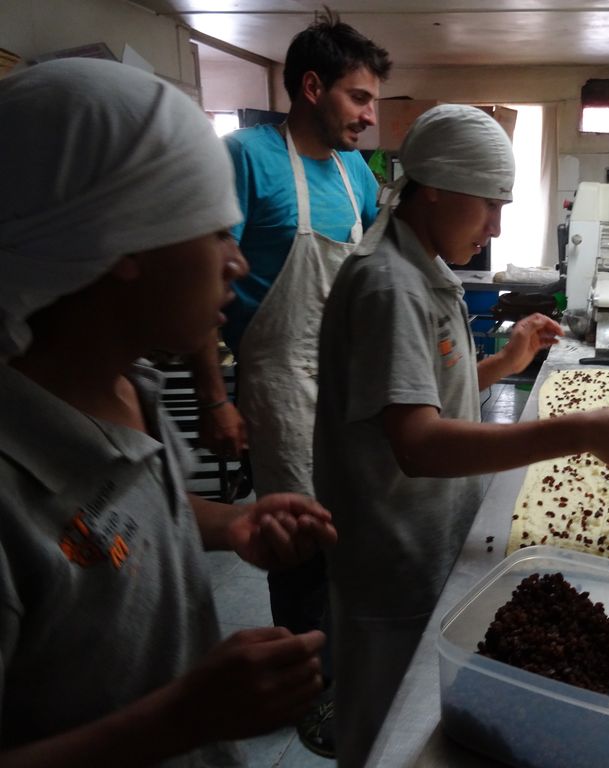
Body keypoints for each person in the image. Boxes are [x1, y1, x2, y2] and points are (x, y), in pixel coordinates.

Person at [314, 104, 609, 767]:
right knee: (384, 741)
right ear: (433, 188)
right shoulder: (389, 285)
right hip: (393, 566)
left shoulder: (421, 269)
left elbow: (416, 395)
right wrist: (582, 431)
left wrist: (504, 364)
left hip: (433, 545)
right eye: (488, 205)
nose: (496, 227)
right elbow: (418, 444)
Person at [0, 58, 338, 766]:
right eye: (215, 233)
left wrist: (228, 523)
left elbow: (115, 524)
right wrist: (183, 718)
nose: (237, 263)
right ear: (123, 241)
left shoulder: (129, 391)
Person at [187, 15, 392, 755]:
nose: (370, 118)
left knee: (354, 534)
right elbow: (201, 285)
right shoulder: (245, 158)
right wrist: (215, 397)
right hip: (278, 377)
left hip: (349, 380)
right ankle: (309, 687)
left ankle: (345, 667)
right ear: (311, 87)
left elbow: (370, 275)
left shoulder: (355, 174)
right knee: (299, 542)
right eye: (359, 98)